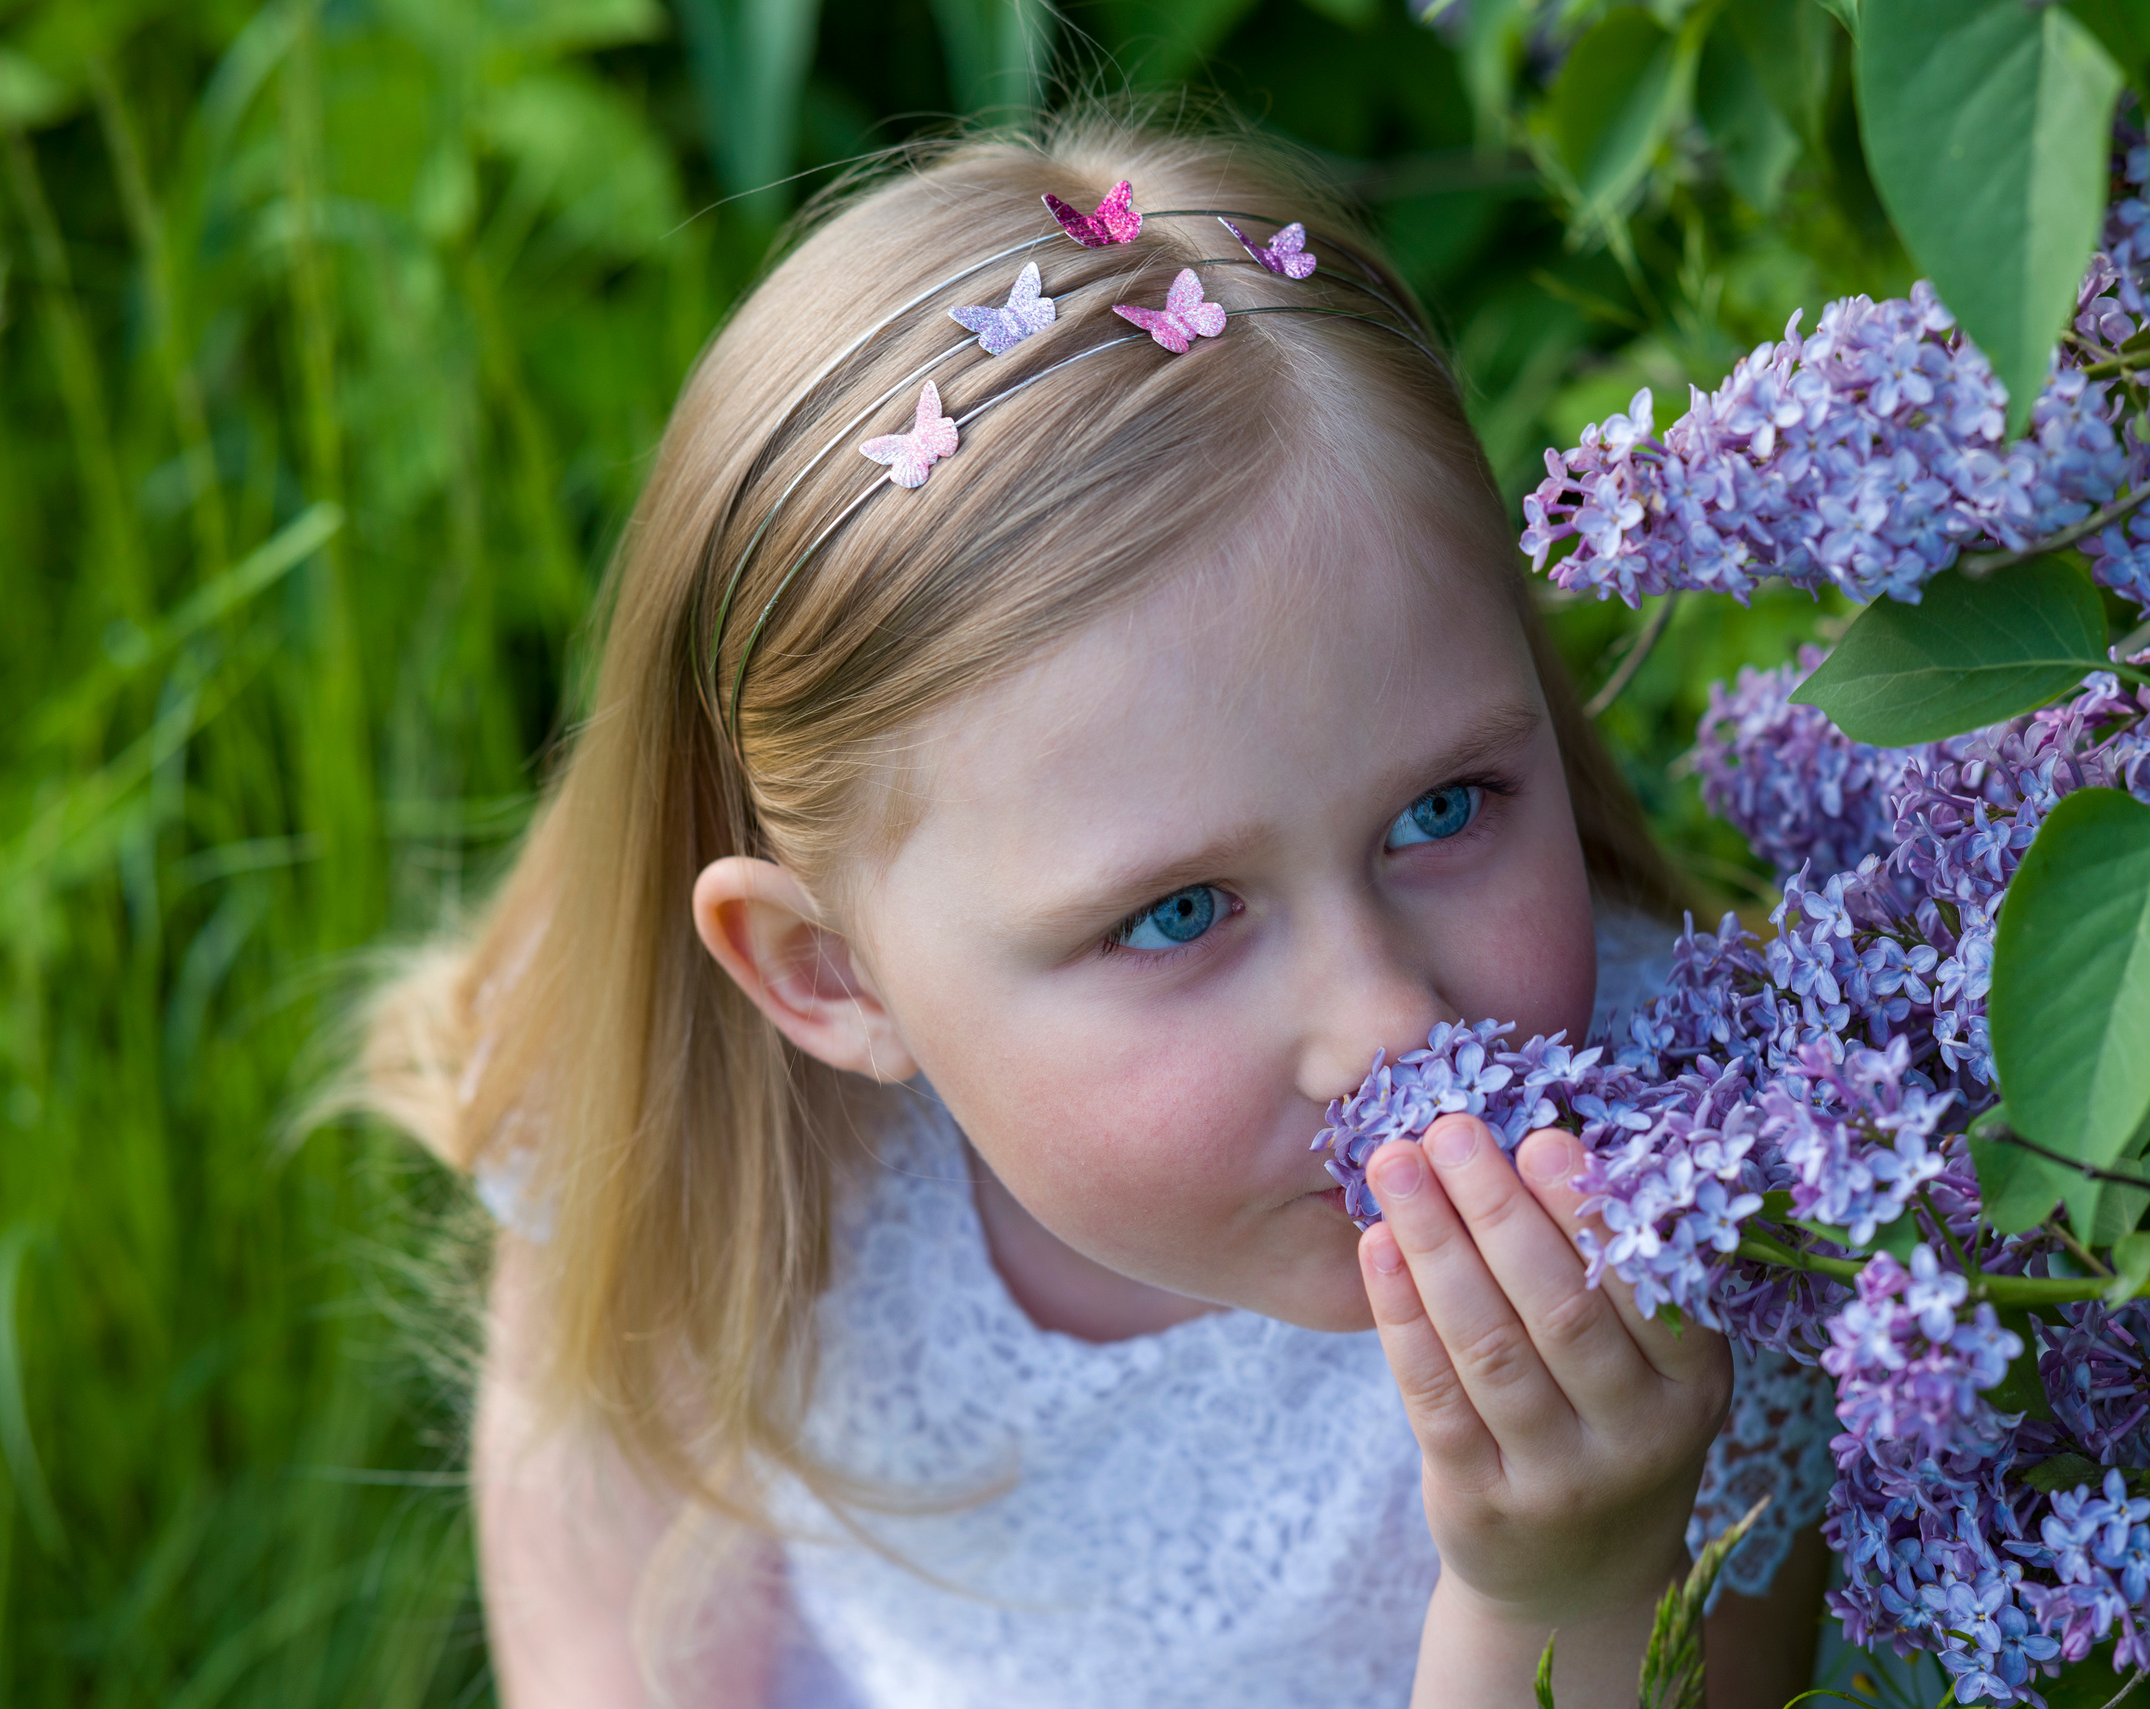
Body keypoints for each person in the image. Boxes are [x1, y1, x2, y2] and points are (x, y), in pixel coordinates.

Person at [361, 113, 1835, 1709]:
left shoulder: (1685, 1225)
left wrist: (1567, 1582)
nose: (1391, 1022)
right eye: (1181, 912)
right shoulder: (685, 1156)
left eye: (1442, 809)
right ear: (827, 975)